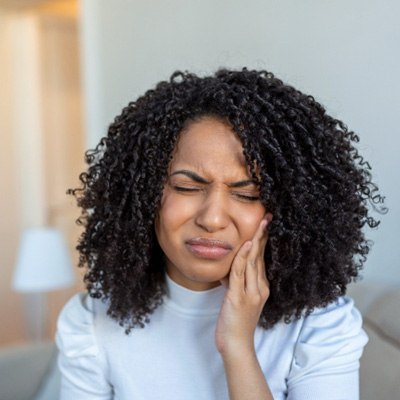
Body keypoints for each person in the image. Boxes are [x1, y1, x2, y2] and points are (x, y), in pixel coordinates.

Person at [56, 68, 386, 399]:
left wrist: (238, 347)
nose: (212, 219)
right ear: (144, 195)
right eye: (186, 187)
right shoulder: (90, 323)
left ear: (290, 210)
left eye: (247, 195)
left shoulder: (319, 325)